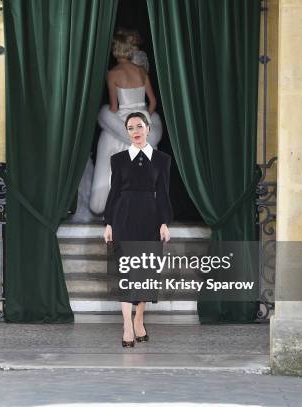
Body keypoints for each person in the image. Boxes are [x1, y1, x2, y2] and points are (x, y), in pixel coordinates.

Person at [103, 112, 172, 348]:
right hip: (123, 216)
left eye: (139, 126)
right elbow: (113, 193)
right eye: (131, 127)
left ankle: (139, 319)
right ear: (127, 131)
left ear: (148, 129)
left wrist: (164, 222)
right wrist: (108, 223)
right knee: (126, 272)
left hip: (151, 218)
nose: (136, 131)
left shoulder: (162, 160)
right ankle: (127, 325)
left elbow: (163, 193)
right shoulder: (118, 159)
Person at [89, 30, 163, 215]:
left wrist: (111, 119)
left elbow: (114, 106)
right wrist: (145, 120)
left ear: (115, 50)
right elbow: (152, 103)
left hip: (122, 123)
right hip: (141, 123)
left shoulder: (113, 74)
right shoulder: (141, 71)